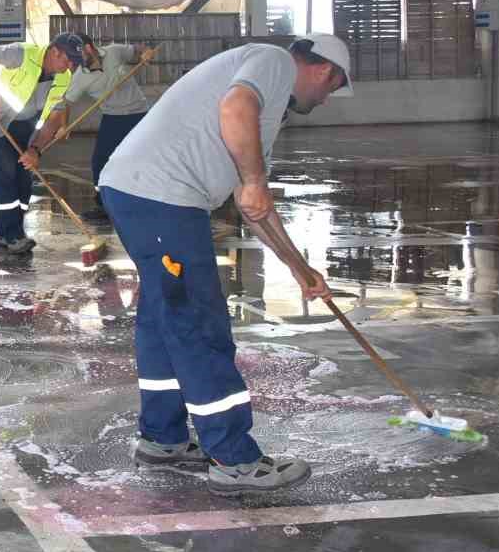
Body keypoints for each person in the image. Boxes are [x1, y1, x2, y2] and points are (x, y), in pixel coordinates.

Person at [98, 35, 353, 496]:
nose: (327, 99)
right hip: (164, 197)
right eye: (333, 88)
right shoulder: (273, 62)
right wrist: (254, 180)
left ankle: (163, 438)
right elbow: (236, 111)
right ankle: (234, 459)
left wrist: (298, 267)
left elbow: (253, 203)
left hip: (135, 190)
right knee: (198, 323)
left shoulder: (268, 108)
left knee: (163, 321)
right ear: (324, 71)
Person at [0, 32, 84, 255]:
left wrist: (35, 150)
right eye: (67, 59)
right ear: (54, 51)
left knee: (23, 181)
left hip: (25, 128)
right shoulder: (22, 53)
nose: (70, 65)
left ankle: (5, 234)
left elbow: (52, 120)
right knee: (5, 174)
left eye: (74, 62)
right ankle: (14, 236)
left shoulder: (64, 78)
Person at [29, 37, 151, 221]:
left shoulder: (114, 51)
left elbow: (137, 49)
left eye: (79, 55)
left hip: (139, 114)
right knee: (100, 161)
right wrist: (64, 126)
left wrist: (145, 53)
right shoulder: (80, 78)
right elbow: (65, 104)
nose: (75, 61)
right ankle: (103, 205)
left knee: (143, 159)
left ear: (89, 48)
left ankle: (149, 201)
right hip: (113, 117)